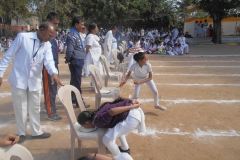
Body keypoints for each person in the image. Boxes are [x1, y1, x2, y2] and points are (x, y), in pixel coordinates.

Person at [0, 22, 63, 144]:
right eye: (49, 35)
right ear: (41, 30)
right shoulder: (23, 37)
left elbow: (49, 62)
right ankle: (21, 133)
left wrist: (54, 74)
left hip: (34, 80)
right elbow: (8, 56)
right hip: (19, 78)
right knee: (20, 107)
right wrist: (0, 73)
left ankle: (36, 131)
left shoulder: (47, 45)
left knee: (35, 106)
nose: (50, 38)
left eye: (52, 37)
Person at [77, 97, 146, 160]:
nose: (85, 128)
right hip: (133, 111)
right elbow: (119, 98)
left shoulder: (97, 121)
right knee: (116, 128)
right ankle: (125, 149)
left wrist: (132, 106)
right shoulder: (99, 111)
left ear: (86, 122)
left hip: (132, 117)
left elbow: (112, 111)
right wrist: (131, 100)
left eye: (83, 126)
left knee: (106, 139)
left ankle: (119, 157)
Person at [65, 17, 90, 108]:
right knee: (76, 82)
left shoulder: (76, 33)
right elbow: (70, 49)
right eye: (81, 24)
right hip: (76, 61)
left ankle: (73, 98)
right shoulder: (72, 35)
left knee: (74, 81)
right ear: (76, 25)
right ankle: (79, 101)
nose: (83, 26)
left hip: (78, 60)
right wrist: (68, 59)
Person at [42, 12, 62, 122]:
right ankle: (51, 112)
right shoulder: (45, 37)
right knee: (50, 89)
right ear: (48, 21)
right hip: (47, 68)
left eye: (57, 24)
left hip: (53, 66)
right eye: (54, 23)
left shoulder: (52, 36)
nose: (56, 26)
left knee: (53, 89)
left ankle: (50, 106)